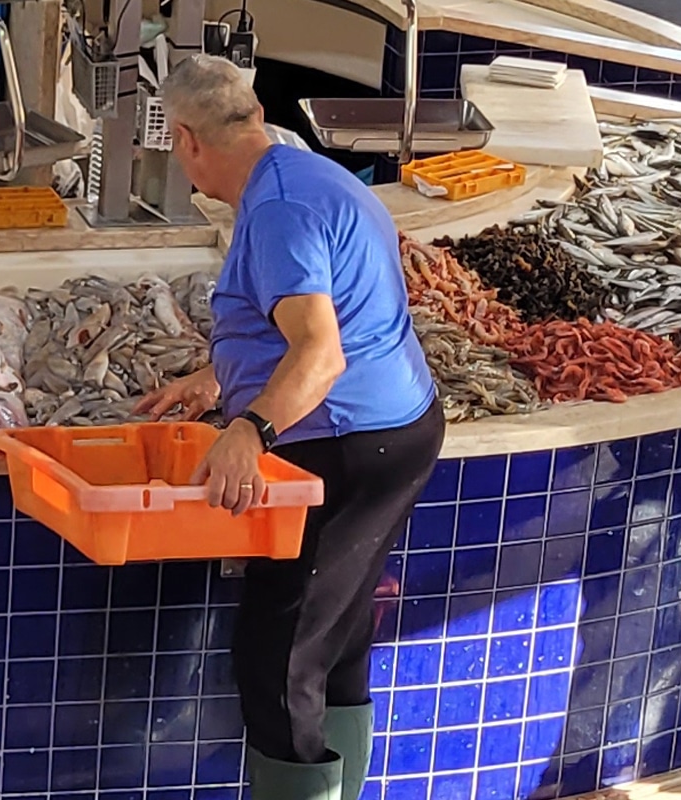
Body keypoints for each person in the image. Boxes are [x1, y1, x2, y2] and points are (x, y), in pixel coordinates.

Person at [135, 55, 445, 800]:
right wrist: (219, 377)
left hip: (345, 444)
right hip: (400, 427)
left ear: (186, 139)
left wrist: (249, 429)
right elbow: (324, 312)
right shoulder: (310, 173)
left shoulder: (277, 210)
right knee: (336, 643)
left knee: (280, 659)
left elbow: (320, 352)